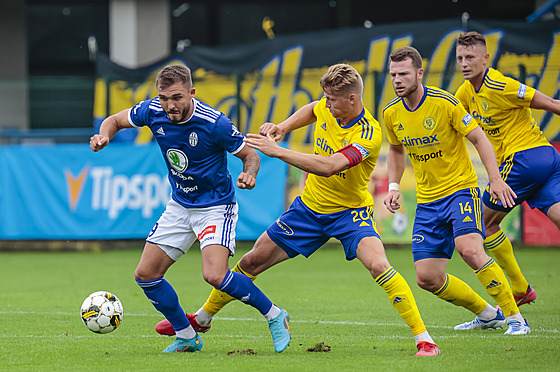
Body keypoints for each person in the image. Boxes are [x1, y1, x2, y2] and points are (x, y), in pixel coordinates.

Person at [157, 63, 441, 357]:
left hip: (350, 215)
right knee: (251, 261)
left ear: (352, 99)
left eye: (332, 99)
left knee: (379, 266)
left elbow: (330, 167)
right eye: (326, 97)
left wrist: (278, 151)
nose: (326, 104)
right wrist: (282, 127)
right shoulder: (327, 108)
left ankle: (424, 340)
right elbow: (312, 109)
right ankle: (202, 319)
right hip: (307, 210)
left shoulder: (368, 134)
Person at [89, 64, 291, 353]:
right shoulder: (151, 111)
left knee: (215, 275)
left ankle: (275, 315)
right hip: (180, 205)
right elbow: (114, 120)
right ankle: (186, 336)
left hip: (215, 206)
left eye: (177, 97)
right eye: (163, 98)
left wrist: (250, 173)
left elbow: (249, 154)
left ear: (191, 93)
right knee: (146, 275)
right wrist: (104, 135)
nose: (170, 105)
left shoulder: (214, 123)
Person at [383, 46, 530, 335]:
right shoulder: (391, 113)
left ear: (419, 73)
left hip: (460, 190)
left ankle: (516, 318)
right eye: (393, 75)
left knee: (470, 250)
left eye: (403, 74)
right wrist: (393, 186)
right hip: (427, 201)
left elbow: (479, 137)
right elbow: (396, 150)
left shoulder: (444, 102)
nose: (397, 80)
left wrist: (495, 178)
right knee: (427, 277)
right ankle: (488, 314)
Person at [455, 31, 560, 306]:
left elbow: (552, 104)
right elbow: (450, 118)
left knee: (483, 222)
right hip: (546, 159)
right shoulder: (466, 91)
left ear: (485, 58)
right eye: (460, 58)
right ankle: (520, 287)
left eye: (470, 57)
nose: (464, 63)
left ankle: (519, 288)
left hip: (524, 159)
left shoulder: (502, 85)